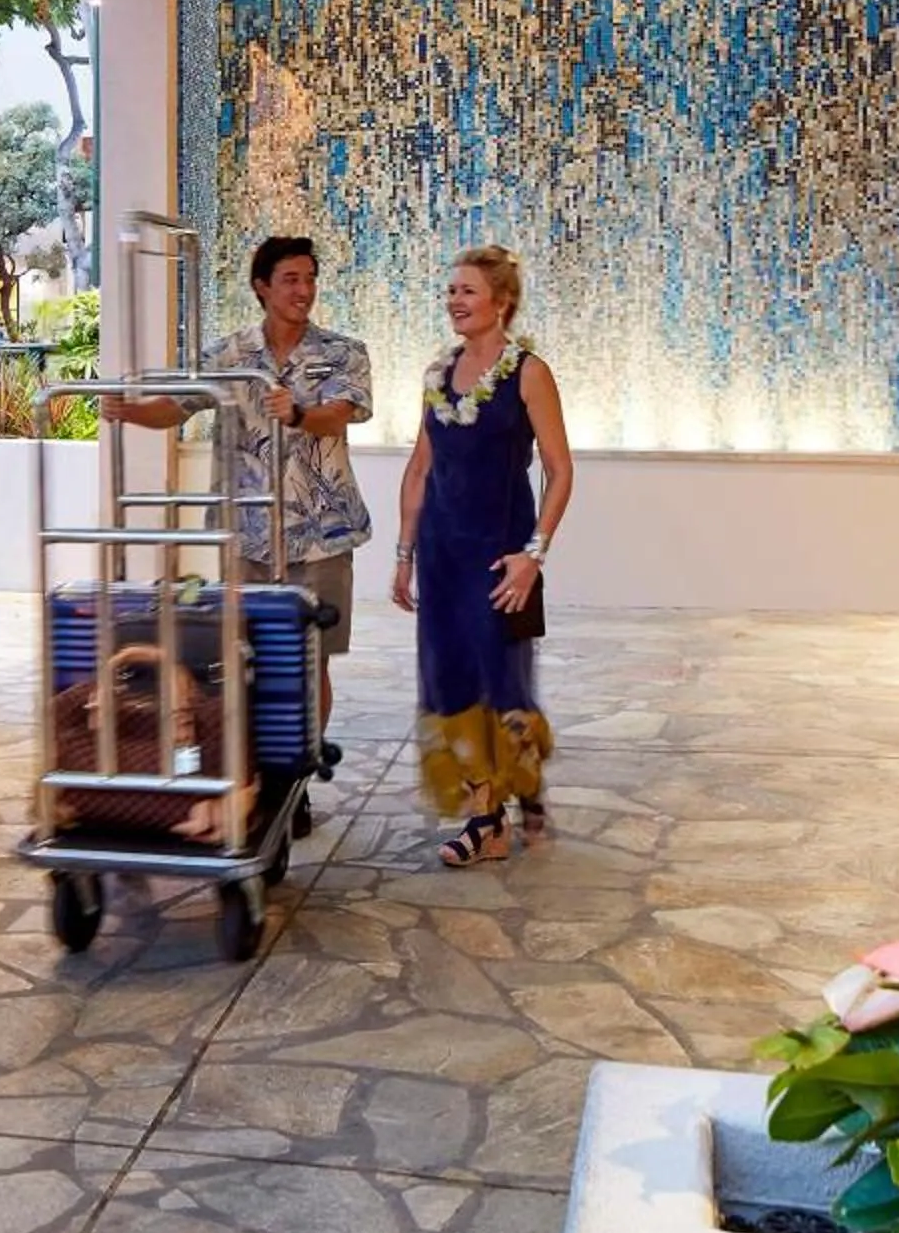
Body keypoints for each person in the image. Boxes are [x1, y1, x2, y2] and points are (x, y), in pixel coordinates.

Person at [105, 235, 370, 765]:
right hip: (246, 534)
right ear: (262, 287)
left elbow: (341, 413)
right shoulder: (227, 355)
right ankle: (253, 772)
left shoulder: (344, 352)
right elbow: (177, 407)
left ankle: (298, 776)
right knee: (243, 655)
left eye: (310, 279)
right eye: (291, 279)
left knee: (309, 659)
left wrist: (296, 413)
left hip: (322, 535)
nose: (304, 290)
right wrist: (128, 411)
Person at [391, 245, 574, 867]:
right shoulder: (436, 375)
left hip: (501, 561)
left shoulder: (528, 373)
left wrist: (534, 555)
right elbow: (420, 468)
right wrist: (404, 554)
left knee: (501, 681)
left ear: (501, 302)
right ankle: (489, 812)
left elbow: (559, 469)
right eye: (450, 291)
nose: (454, 301)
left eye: (467, 291)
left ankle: (500, 808)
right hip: (443, 558)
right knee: (450, 682)